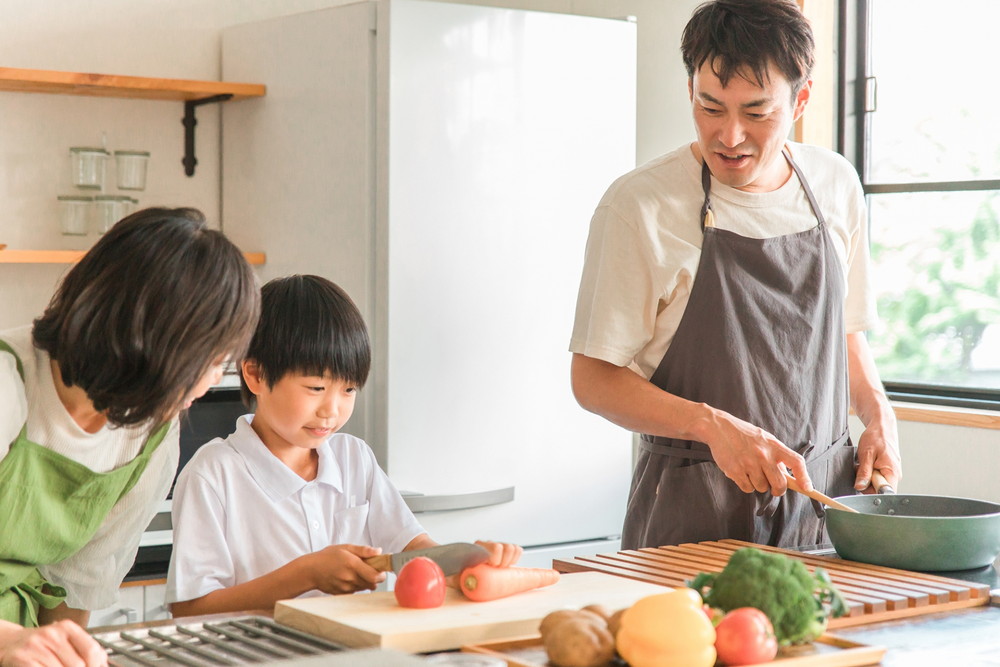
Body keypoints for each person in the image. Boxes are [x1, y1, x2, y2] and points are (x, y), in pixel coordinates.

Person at [569, 0, 901, 551]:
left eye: (755, 111)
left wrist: (878, 415)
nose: (728, 135)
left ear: (802, 99)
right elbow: (592, 379)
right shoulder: (639, 207)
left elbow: (844, 336)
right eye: (709, 107)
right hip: (693, 517)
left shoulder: (835, 185)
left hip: (824, 512)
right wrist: (713, 427)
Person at [166, 275, 521, 617]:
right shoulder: (212, 474)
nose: (331, 411)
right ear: (256, 375)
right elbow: (190, 608)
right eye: (316, 388)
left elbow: (411, 548)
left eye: (348, 390)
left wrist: (464, 561)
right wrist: (305, 574)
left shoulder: (354, 458)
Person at [0, 207, 260, 665]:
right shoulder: (8, 386)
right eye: (206, 363)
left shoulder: (151, 440)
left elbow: (75, 586)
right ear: (147, 342)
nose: (205, 386)